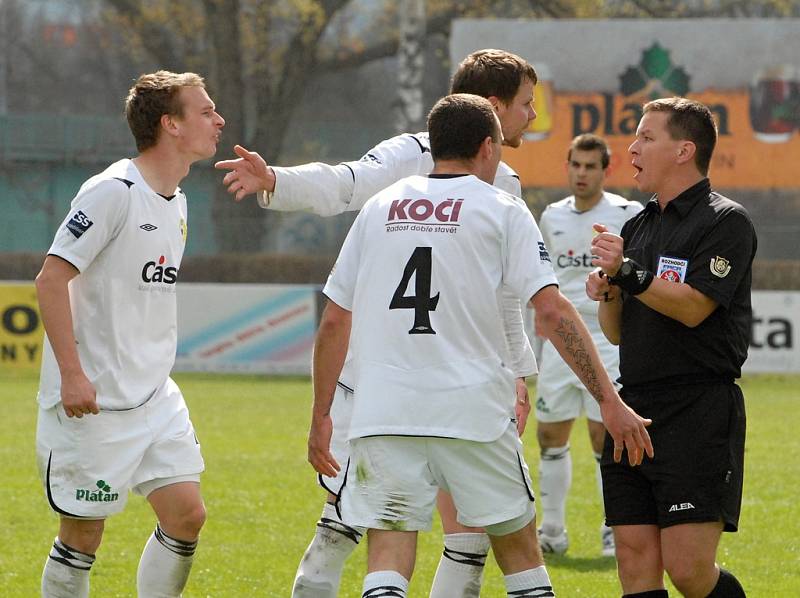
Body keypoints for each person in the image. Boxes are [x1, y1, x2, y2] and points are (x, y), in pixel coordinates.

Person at [217, 49, 541, 597]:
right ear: (491, 108)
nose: (532, 116)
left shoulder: (504, 183)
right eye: (527, 104)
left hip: (458, 385)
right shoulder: (410, 155)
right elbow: (346, 181)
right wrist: (276, 180)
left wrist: (515, 370)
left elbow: (504, 295)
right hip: (381, 379)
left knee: (468, 534)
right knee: (346, 522)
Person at [308, 93, 653, 598]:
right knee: (520, 559)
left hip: (384, 410)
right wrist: (608, 398)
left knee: (387, 560)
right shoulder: (502, 208)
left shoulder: (380, 207)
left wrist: (322, 415)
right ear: (489, 147)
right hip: (472, 411)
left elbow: (335, 321)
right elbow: (552, 311)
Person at [34, 71, 225, 597]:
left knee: (187, 515)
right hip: (94, 403)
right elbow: (51, 281)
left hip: (155, 397)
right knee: (83, 534)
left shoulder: (177, 200)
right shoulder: (112, 192)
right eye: (206, 111)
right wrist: (73, 375)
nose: (218, 119)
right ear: (171, 124)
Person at [587, 97, 754, 598]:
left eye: (645, 137)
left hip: (697, 410)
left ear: (684, 150)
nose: (632, 148)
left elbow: (694, 308)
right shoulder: (637, 226)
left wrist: (628, 274)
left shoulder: (726, 221)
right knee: (635, 566)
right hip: (634, 408)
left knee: (688, 570)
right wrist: (609, 292)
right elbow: (616, 332)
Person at [535, 134, 642, 557]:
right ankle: (553, 532)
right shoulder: (551, 216)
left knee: (606, 439)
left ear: (605, 170)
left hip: (608, 342)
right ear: (568, 167)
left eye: (590, 166)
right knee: (549, 437)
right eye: (575, 165)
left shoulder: (625, 213)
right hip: (560, 346)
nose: (581, 173)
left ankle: (612, 530)